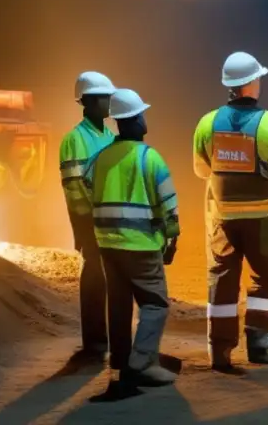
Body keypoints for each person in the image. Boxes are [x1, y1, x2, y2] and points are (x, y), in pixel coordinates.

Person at [192, 52, 268, 371]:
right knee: (264, 280)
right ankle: (260, 346)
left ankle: (219, 351)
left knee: (222, 281)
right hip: (264, 221)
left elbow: (200, 170)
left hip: (222, 221)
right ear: (251, 83)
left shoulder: (207, 123)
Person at [84, 88, 179, 388]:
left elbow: (87, 190)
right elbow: (169, 205)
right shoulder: (150, 158)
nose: (145, 119)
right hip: (142, 245)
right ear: (135, 119)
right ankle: (143, 362)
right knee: (155, 303)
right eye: (143, 114)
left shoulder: (100, 158)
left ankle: (121, 360)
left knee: (120, 304)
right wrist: (172, 238)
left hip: (108, 245)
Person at [58, 71, 116, 360]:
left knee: (109, 282)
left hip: (112, 222)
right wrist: (81, 228)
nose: (110, 103)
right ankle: (94, 343)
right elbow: (73, 187)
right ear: (91, 102)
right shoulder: (74, 139)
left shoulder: (110, 137)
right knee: (93, 278)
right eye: (106, 97)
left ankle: (106, 339)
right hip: (91, 223)